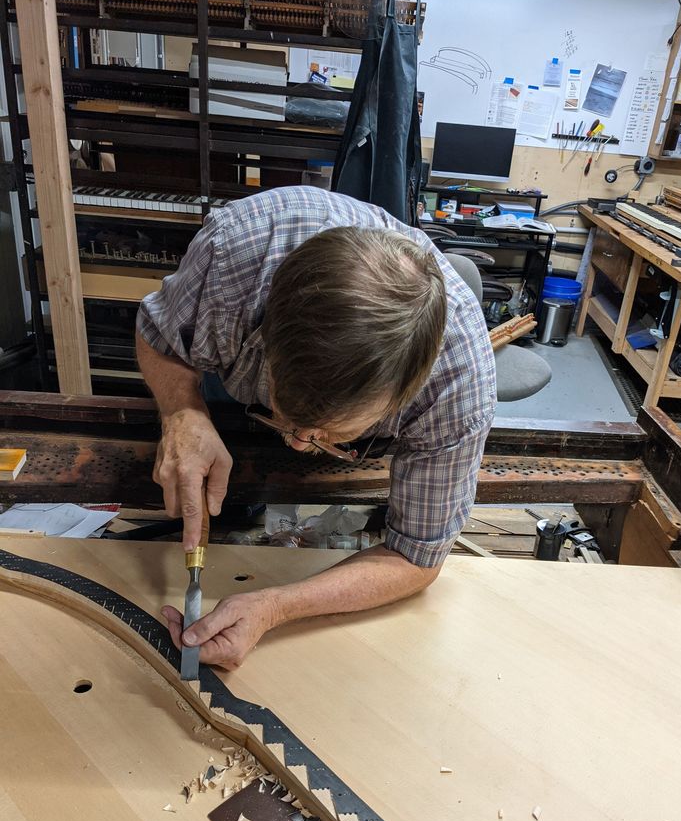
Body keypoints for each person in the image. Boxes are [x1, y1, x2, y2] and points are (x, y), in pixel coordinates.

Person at [136, 185, 496, 670]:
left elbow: (416, 557)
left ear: (404, 395)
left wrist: (273, 606)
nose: (300, 445)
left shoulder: (458, 390)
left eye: (330, 436)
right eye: (287, 415)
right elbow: (158, 336)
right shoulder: (234, 257)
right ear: (266, 333)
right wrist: (183, 411)